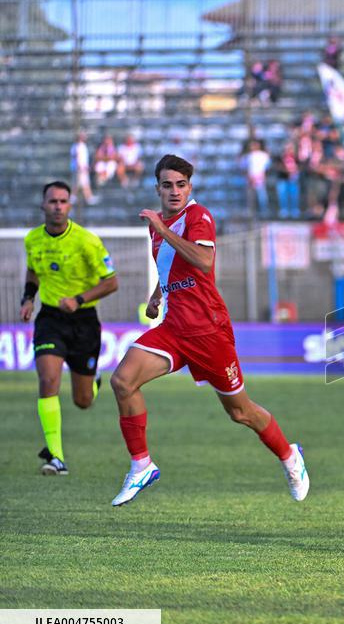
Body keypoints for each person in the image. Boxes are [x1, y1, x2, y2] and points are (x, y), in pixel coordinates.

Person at [107, 155, 309, 506]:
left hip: (209, 332)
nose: (174, 191)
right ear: (157, 187)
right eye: (167, 185)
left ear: (190, 187)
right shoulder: (160, 224)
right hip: (174, 329)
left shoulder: (198, 217)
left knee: (240, 412)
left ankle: (290, 457)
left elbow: (202, 261)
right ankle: (141, 465)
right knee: (122, 380)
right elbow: (169, 264)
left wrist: (163, 230)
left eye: (181, 185)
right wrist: (157, 296)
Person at [21, 181, 118, 475]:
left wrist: (79, 299)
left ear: (70, 206)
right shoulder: (33, 240)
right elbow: (33, 270)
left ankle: (94, 382)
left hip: (84, 321)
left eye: (63, 201)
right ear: (43, 205)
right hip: (50, 319)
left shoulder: (87, 241)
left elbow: (112, 282)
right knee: (48, 380)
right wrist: (28, 298)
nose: (58, 206)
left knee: (83, 401)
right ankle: (56, 457)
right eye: (53, 201)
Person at [70, 132, 95, 205]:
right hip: (80, 168)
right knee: (78, 184)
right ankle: (87, 198)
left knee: (83, 183)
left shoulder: (78, 146)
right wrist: (81, 167)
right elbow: (78, 157)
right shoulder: (79, 146)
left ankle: (88, 197)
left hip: (81, 168)